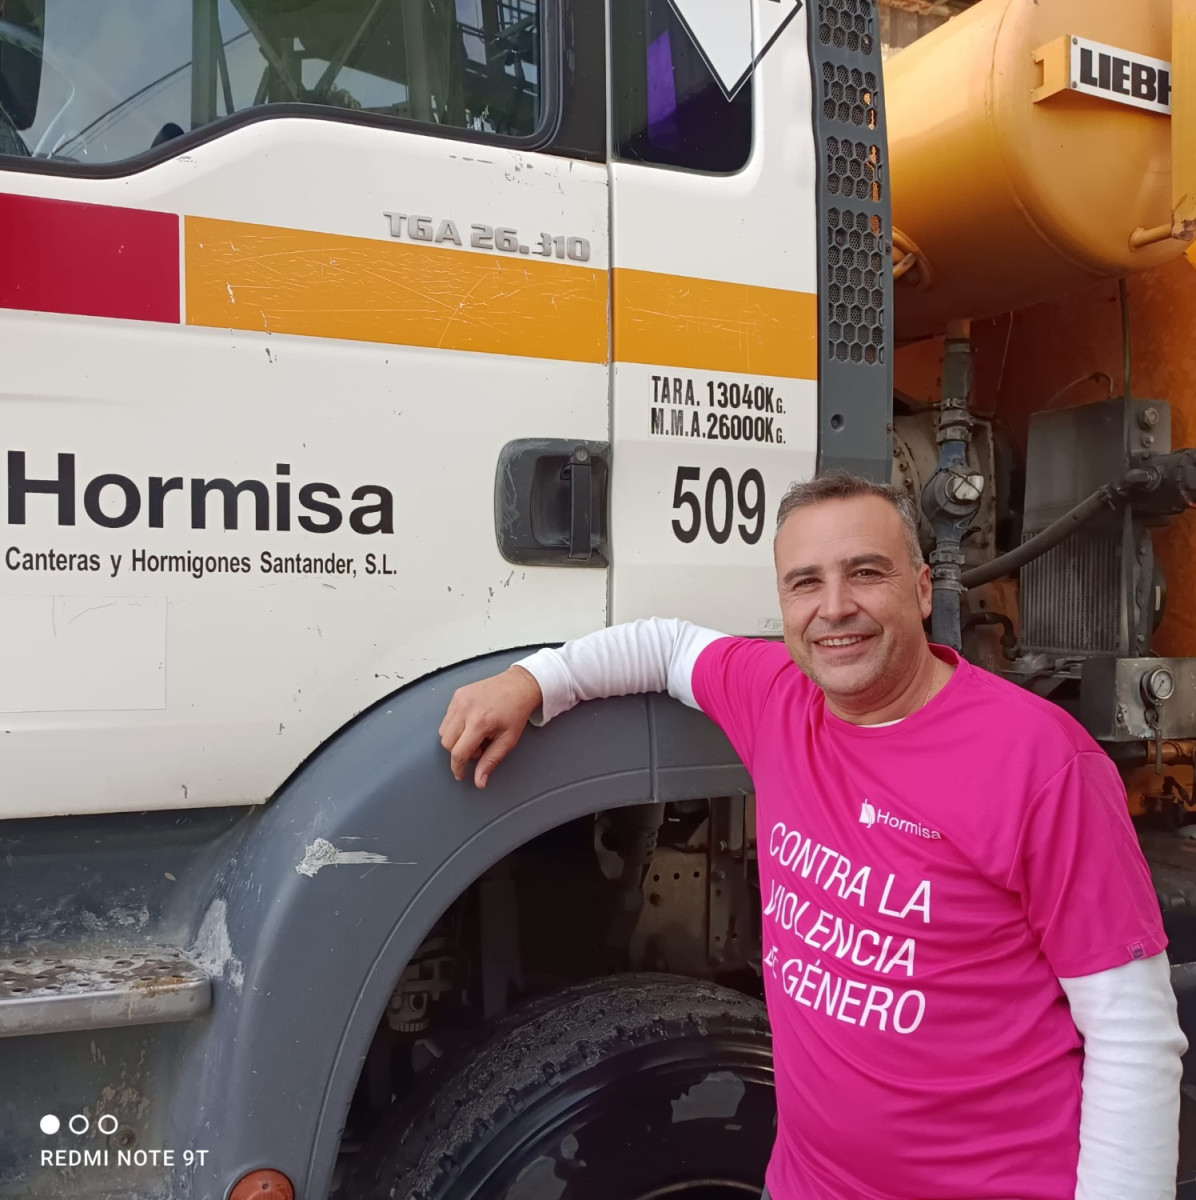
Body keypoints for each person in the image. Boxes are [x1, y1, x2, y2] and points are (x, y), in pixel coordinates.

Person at [438, 471, 1187, 1200]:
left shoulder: (1040, 760)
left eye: (866, 573)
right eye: (805, 583)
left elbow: (1132, 1036)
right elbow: (666, 648)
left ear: (922, 588)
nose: (834, 607)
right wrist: (533, 681)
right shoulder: (779, 698)